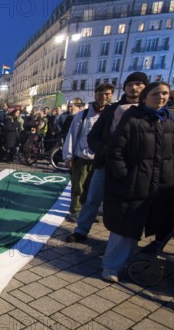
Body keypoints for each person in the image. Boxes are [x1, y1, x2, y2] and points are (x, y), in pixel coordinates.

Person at [101, 82, 174, 282]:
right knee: (123, 229)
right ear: (145, 97)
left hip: (158, 186)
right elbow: (115, 151)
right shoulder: (133, 119)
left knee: (138, 226)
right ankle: (111, 267)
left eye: (165, 93)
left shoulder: (168, 121)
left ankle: (127, 262)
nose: (161, 97)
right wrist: (124, 175)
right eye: (156, 93)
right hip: (132, 184)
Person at [67, 72, 148, 243]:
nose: (134, 88)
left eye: (139, 84)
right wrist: (106, 150)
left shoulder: (149, 111)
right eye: (130, 84)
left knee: (123, 205)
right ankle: (81, 231)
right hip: (106, 163)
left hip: (134, 168)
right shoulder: (111, 110)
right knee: (92, 199)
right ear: (125, 87)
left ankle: (119, 238)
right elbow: (93, 136)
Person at [62, 83, 114, 222]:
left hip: (101, 159)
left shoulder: (113, 114)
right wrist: (68, 156)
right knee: (78, 186)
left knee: (94, 189)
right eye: (100, 93)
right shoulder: (83, 114)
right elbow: (72, 135)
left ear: (111, 96)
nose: (103, 96)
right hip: (82, 157)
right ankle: (75, 211)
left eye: (107, 94)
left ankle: (89, 212)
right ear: (95, 94)